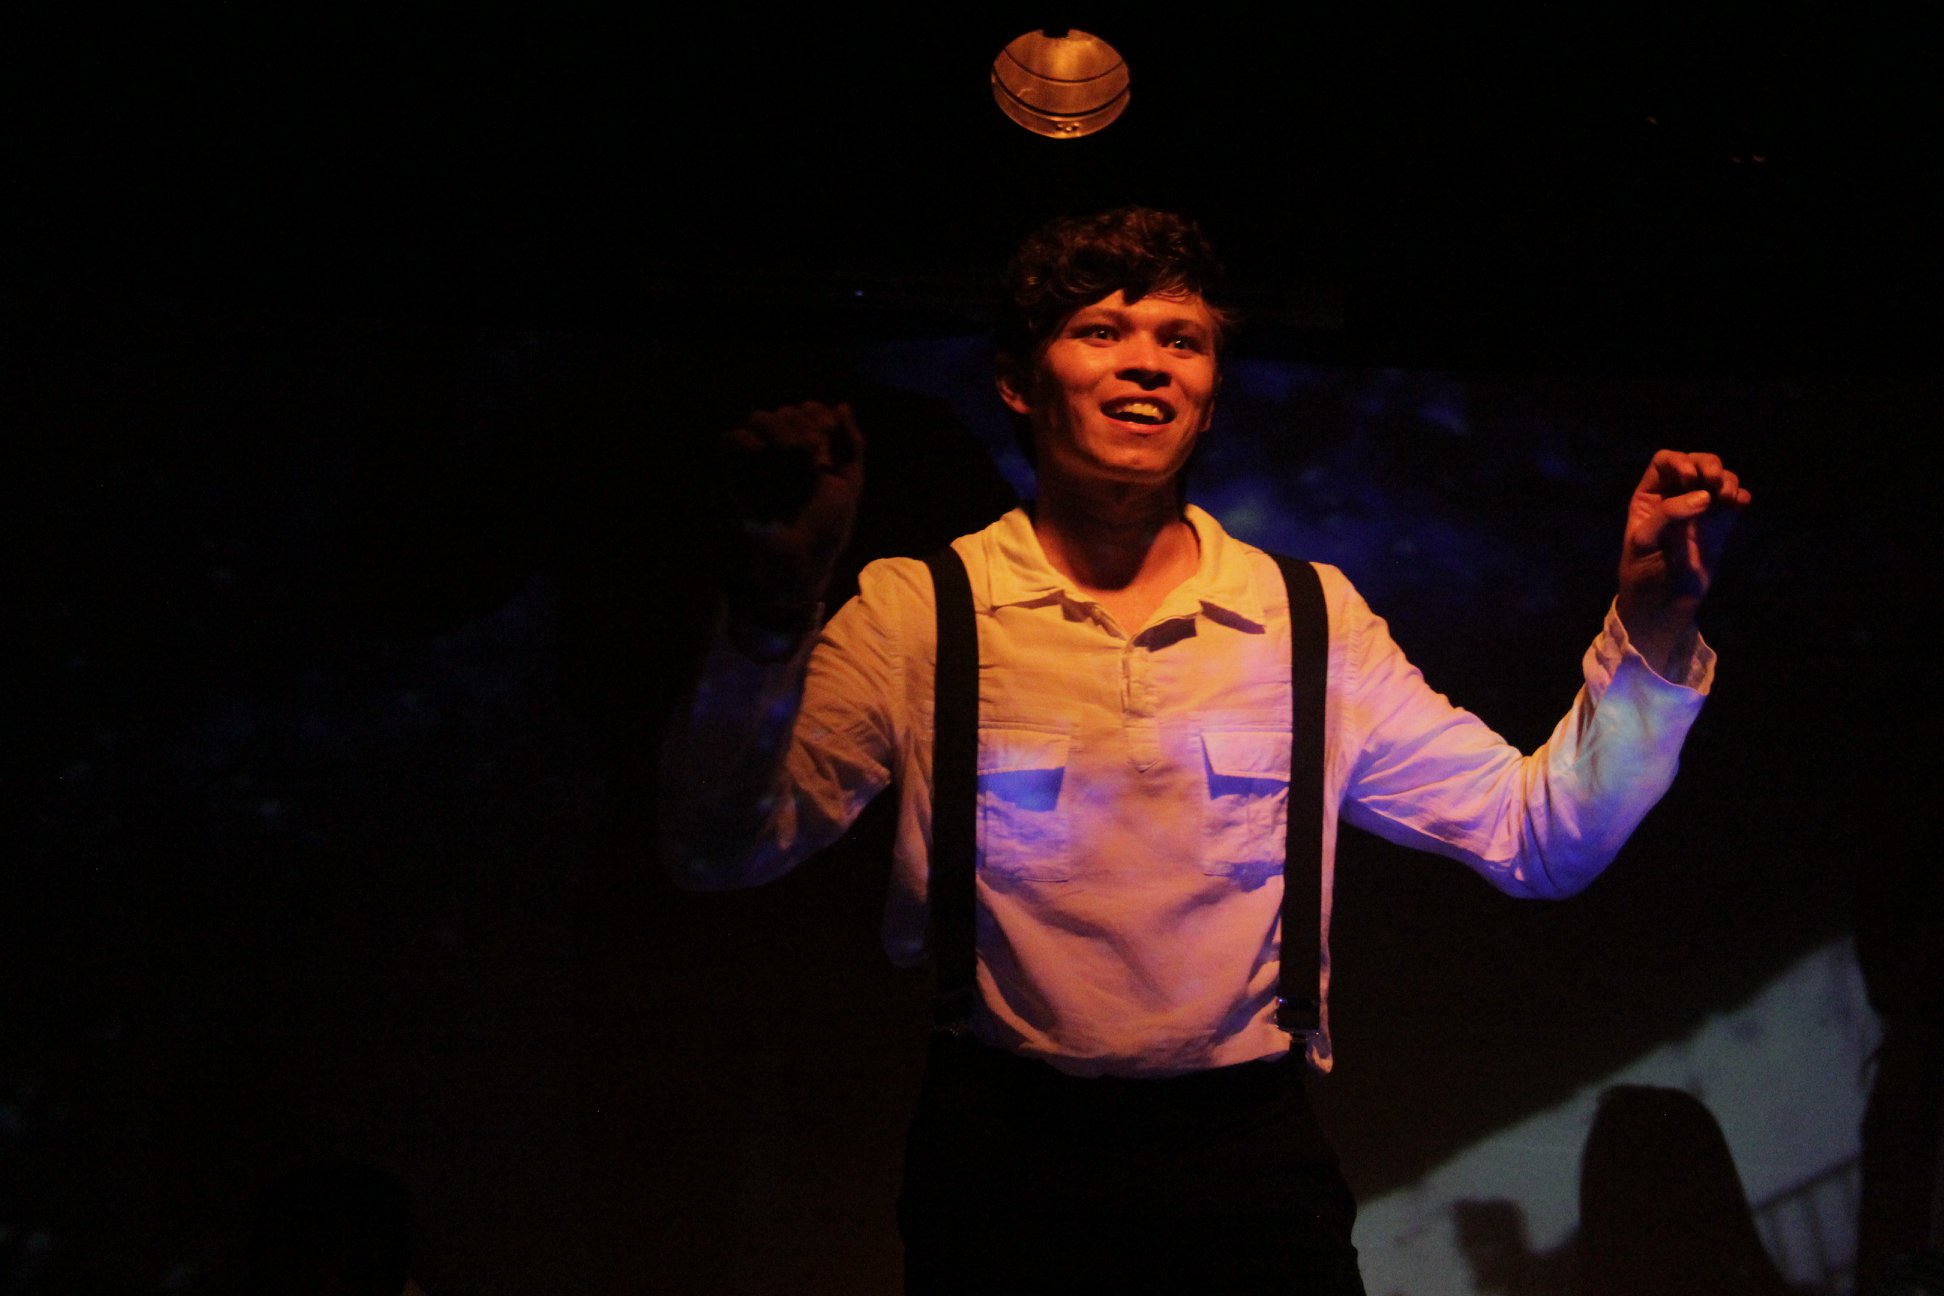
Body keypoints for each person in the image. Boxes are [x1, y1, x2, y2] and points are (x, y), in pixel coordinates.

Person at [659, 207, 1748, 1294]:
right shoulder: (921, 608)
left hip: (1245, 1165)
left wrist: (1653, 624)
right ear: (1017, 381)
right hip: (1002, 1165)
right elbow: (720, 849)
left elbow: (1541, 837)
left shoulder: (1306, 619)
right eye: (1102, 331)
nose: (1147, 363)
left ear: (1211, 394)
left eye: (1180, 340)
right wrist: (772, 614)